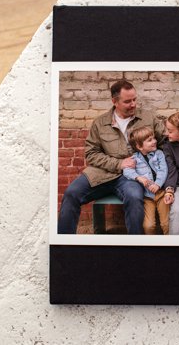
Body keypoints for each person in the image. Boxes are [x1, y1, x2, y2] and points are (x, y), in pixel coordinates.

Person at [58, 80, 164, 234]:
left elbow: (165, 143)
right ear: (114, 101)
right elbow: (91, 154)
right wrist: (119, 163)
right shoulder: (100, 123)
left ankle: (137, 247)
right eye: (127, 101)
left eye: (134, 99)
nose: (133, 104)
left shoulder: (148, 118)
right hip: (101, 173)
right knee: (71, 194)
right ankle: (63, 244)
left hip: (132, 177)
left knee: (134, 197)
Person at [123, 126, 169, 235]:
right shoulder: (134, 158)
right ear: (139, 146)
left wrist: (158, 184)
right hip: (147, 197)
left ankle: (170, 246)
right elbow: (127, 171)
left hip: (161, 193)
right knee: (148, 226)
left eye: (153, 138)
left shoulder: (159, 154)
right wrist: (138, 177)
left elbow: (163, 170)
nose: (155, 141)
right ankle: (151, 247)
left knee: (166, 223)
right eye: (150, 140)